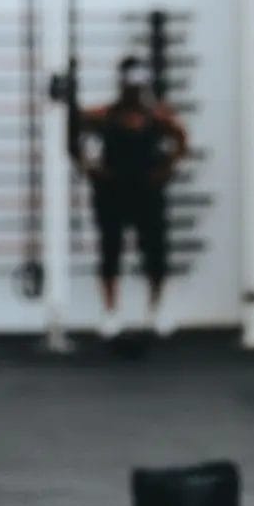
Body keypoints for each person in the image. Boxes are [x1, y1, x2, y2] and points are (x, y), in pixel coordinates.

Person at [77, 56, 189, 339]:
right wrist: (90, 168)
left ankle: (156, 311)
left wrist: (166, 168)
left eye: (139, 85)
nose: (135, 91)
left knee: (155, 251)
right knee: (110, 251)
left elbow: (181, 138)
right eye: (130, 84)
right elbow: (76, 131)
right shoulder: (105, 115)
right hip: (112, 191)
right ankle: (111, 313)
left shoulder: (158, 117)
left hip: (148, 191)